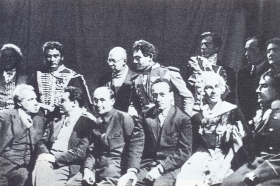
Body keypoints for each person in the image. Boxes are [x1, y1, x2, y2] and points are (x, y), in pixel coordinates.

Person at [176, 71, 246, 186]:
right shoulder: (198, 115)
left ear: (222, 88)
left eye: (216, 87)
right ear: (202, 91)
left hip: (227, 157)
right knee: (185, 179)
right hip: (201, 155)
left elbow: (238, 143)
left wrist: (223, 167)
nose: (213, 91)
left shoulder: (233, 111)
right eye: (208, 88)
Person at [122, 78, 192, 186]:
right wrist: (132, 170)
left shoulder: (182, 119)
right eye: (155, 95)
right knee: (128, 184)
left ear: (171, 95)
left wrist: (161, 168)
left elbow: (184, 151)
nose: (158, 99)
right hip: (147, 165)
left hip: (170, 168)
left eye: (162, 94)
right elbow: (137, 144)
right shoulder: (145, 115)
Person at [221, 70, 280, 186]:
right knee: (227, 183)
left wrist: (258, 174)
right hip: (257, 165)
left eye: (264, 86)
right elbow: (255, 150)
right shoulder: (265, 113)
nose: (257, 90)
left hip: (273, 171)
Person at [80, 87, 144, 186]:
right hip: (95, 169)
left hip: (115, 170)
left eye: (102, 100)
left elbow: (135, 146)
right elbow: (92, 151)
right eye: (95, 100)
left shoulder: (124, 118)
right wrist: (87, 169)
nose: (98, 104)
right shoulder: (97, 122)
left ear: (112, 101)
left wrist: (132, 170)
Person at [32, 86, 93, 186]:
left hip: (67, 165)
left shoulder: (86, 123)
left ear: (74, 103)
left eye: (63, 100)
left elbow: (81, 152)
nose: (59, 103)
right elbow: (42, 141)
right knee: (41, 165)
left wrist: (54, 158)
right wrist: (45, 155)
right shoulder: (56, 120)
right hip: (47, 161)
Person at [130, 39, 194, 116]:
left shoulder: (168, 73)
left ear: (150, 56)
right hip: (145, 123)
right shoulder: (136, 79)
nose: (134, 61)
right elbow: (134, 103)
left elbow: (188, 98)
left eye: (138, 58)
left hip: (167, 121)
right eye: (134, 58)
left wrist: (184, 119)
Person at [0, 84, 48, 186]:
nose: (36, 103)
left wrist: (44, 154)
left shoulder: (38, 119)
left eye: (35, 99)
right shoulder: (5, 116)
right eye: (30, 100)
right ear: (19, 103)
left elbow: (39, 142)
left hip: (24, 168)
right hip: (3, 166)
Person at [33, 41, 92, 111]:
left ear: (62, 57)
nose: (52, 59)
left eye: (55, 56)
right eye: (49, 56)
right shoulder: (37, 75)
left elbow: (82, 102)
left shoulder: (73, 76)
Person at [188, 32, 236, 106]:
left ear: (216, 47)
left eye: (207, 45)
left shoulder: (228, 72)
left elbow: (230, 99)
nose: (203, 47)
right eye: (202, 44)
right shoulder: (191, 68)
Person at [237, 36, 270, 121]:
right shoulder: (242, 72)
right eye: (246, 50)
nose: (246, 54)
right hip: (246, 121)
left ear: (262, 51)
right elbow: (241, 102)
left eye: (251, 50)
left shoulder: (271, 71)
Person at [98, 47, 136, 112]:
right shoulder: (104, 80)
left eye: (113, 61)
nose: (110, 64)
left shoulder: (136, 78)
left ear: (124, 61)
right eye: (109, 60)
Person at [0, 44, 28, 110]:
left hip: (16, 114)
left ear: (17, 58)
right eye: (5, 57)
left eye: (11, 57)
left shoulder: (26, 78)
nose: (8, 59)